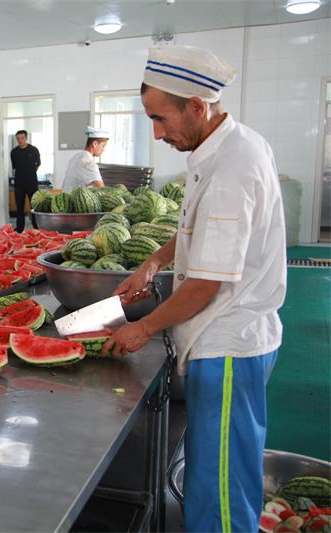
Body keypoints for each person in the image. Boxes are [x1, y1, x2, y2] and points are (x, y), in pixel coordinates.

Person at [104, 45, 286, 533]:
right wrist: (153, 262)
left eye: (160, 119)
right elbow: (196, 228)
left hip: (227, 344)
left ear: (197, 107)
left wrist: (143, 328)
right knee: (220, 469)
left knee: (219, 489)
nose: (157, 133)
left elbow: (206, 283)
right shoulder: (232, 145)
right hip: (233, 340)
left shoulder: (230, 169)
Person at [9, 130, 40, 233]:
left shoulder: (34, 150)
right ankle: (19, 228)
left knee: (34, 206)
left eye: (22, 138)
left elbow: (38, 164)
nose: (20, 140)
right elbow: (15, 167)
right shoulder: (14, 152)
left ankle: (36, 227)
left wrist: (30, 172)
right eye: (18, 138)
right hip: (19, 183)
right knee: (19, 206)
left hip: (32, 182)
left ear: (26, 138)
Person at [61, 126, 108, 191]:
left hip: (65, 194)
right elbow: (102, 189)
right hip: (74, 197)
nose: (103, 149)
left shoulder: (76, 156)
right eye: (103, 146)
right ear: (95, 144)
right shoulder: (89, 163)